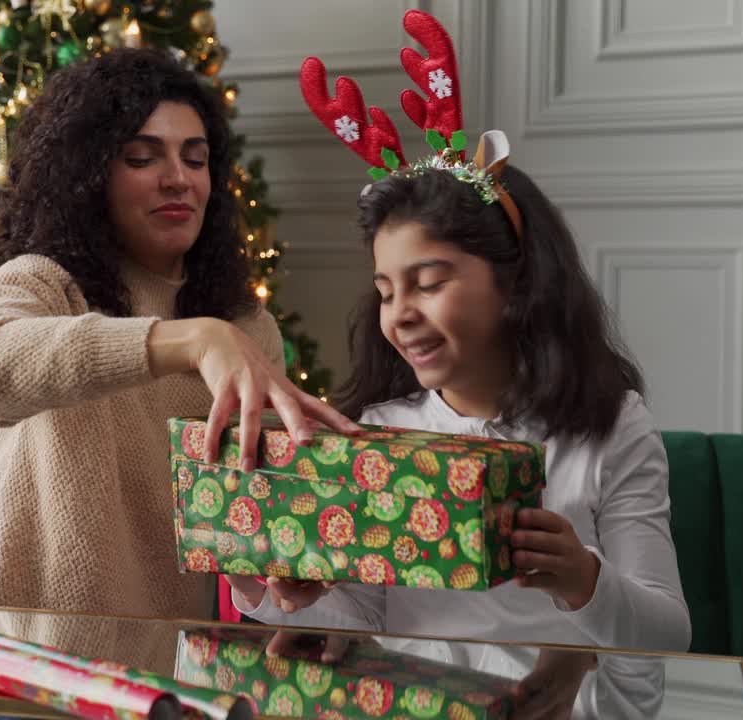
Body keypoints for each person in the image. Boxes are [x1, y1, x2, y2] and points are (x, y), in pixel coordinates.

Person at [226, 10, 691, 718]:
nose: (400, 313)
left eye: (429, 282)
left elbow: (667, 633)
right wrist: (285, 590)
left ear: (515, 282)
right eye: (385, 292)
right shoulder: (380, 428)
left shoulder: (609, 428)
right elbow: (365, 620)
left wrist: (582, 580)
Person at [0, 46, 360, 720]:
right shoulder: (42, 282)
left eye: (195, 159)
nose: (178, 179)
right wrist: (186, 341)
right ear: (90, 175)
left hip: (150, 692)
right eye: (143, 158)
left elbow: (242, 523)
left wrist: (282, 572)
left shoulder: (246, 328)